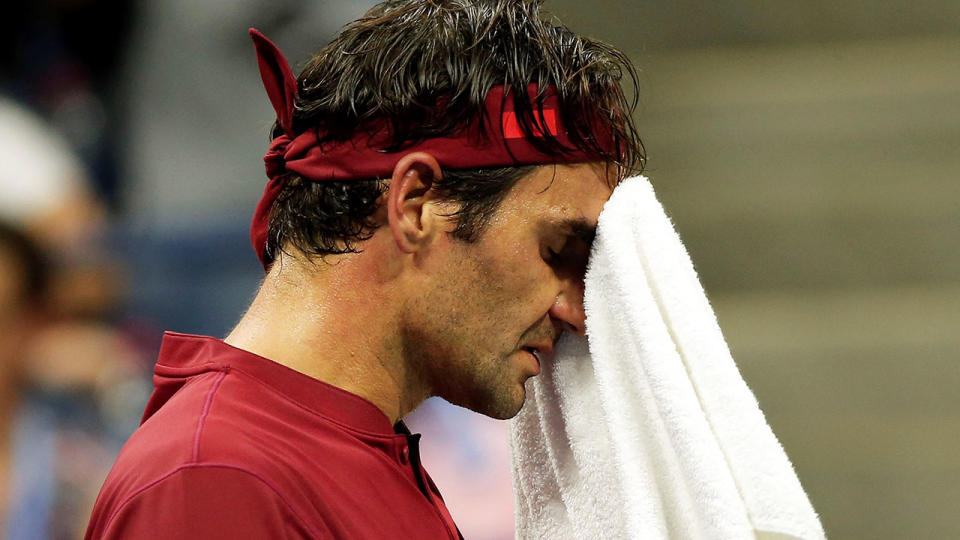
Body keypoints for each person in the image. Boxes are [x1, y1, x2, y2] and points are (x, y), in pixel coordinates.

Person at [85, 0, 644, 538]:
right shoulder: (218, 481)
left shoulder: (335, 454)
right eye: (557, 250)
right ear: (416, 205)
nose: (576, 312)